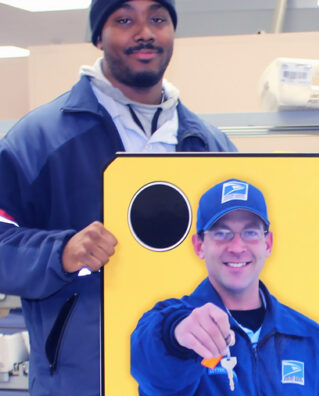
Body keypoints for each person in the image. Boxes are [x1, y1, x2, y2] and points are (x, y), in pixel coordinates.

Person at [0, 1, 236, 395]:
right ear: (98, 35)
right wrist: (60, 251)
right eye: (124, 19)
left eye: (158, 19)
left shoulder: (211, 146)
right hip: (82, 379)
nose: (145, 31)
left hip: (191, 378)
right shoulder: (38, 141)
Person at [130, 178, 319, 395]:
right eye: (222, 233)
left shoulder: (315, 341)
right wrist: (177, 337)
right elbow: (153, 367)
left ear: (267, 244)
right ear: (199, 246)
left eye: (250, 232)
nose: (237, 247)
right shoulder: (177, 327)